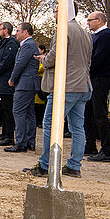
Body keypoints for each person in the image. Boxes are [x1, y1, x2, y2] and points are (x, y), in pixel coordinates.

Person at [24, 12, 93, 178]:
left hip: (66, 85)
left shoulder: (63, 29)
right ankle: (74, 165)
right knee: (77, 127)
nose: (54, 14)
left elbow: (54, 56)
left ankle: (46, 164)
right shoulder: (85, 32)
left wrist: (44, 59)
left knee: (50, 123)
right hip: (83, 84)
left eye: (56, 10)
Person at [85, 11, 110, 162]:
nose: (88, 23)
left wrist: (85, 68)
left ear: (99, 20)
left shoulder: (106, 35)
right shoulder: (96, 36)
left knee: (99, 113)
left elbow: (98, 58)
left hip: (101, 77)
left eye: (90, 20)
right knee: (89, 112)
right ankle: (91, 145)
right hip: (94, 77)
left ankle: (107, 150)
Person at [6, 22, 41, 152]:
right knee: (29, 113)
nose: (16, 33)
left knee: (18, 111)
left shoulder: (27, 45)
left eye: (18, 30)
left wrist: (12, 78)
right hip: (30, 84)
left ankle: (21, 142)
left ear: (25, 32)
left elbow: (20, 64)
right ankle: (30, 141)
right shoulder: (30, 45)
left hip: (25, 83)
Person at [0, 22, 19, 147]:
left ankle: (9, 135)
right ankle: (4, 133)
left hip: (6, 80)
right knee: (2, 108)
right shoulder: (2, 44)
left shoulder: (11, 43)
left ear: (6, 30)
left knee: (8, 109)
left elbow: (6, 62)